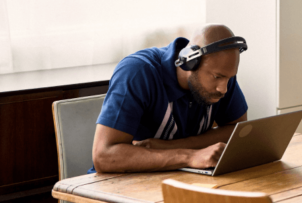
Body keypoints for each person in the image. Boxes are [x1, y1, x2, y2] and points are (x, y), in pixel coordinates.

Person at [88, 24, 248, 173]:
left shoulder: (222, 74)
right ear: (191, 62)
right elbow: (104, 156)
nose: (224, 88)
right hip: (117, 187)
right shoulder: (137, 73)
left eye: (229, 78)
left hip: (180, 180)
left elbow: (239, 132)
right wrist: (190, 157)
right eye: (217, 77)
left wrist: (170, 146)